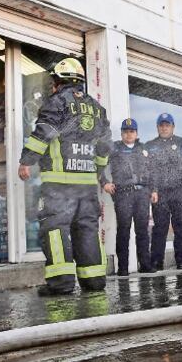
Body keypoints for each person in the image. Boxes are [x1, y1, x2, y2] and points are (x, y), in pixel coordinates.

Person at [18, 58, 111, 295]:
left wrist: (26, 161)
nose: (52, 86)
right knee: (87, 229)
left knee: (55, 228)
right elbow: (104, 147)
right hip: (87, 185)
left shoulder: (57, 102)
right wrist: (97, 171)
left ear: (59, 82)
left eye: (53, 82)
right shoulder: (96, 108)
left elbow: (44, 134)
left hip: (60, 185)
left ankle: (61, 284)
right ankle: (94, 281)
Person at [144, 113, 182, 271]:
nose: (164, 128)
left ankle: (181, 259)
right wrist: (152, 190)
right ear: (157, 127)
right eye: (161, 125)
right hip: (159, 193)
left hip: (180, 192)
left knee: (181, 226)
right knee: (160, 227)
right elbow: (146, 170)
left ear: (173, 127)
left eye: (167, 125)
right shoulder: (150, 146)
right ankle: (157, 261)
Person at [102, 118, 153, 276]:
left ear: (136, 133)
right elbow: (99, 165)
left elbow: (153, 170)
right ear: (122, 133)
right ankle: (122, 268)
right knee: (123, 230)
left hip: (142, 194)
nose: (128, 134)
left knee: (142, 231)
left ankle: (145, 265)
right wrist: (105, 183)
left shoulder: (143, 148)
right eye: (125, 131)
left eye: (131, 131)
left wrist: (154, 190)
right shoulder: (114, 148)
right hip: (123, 194)